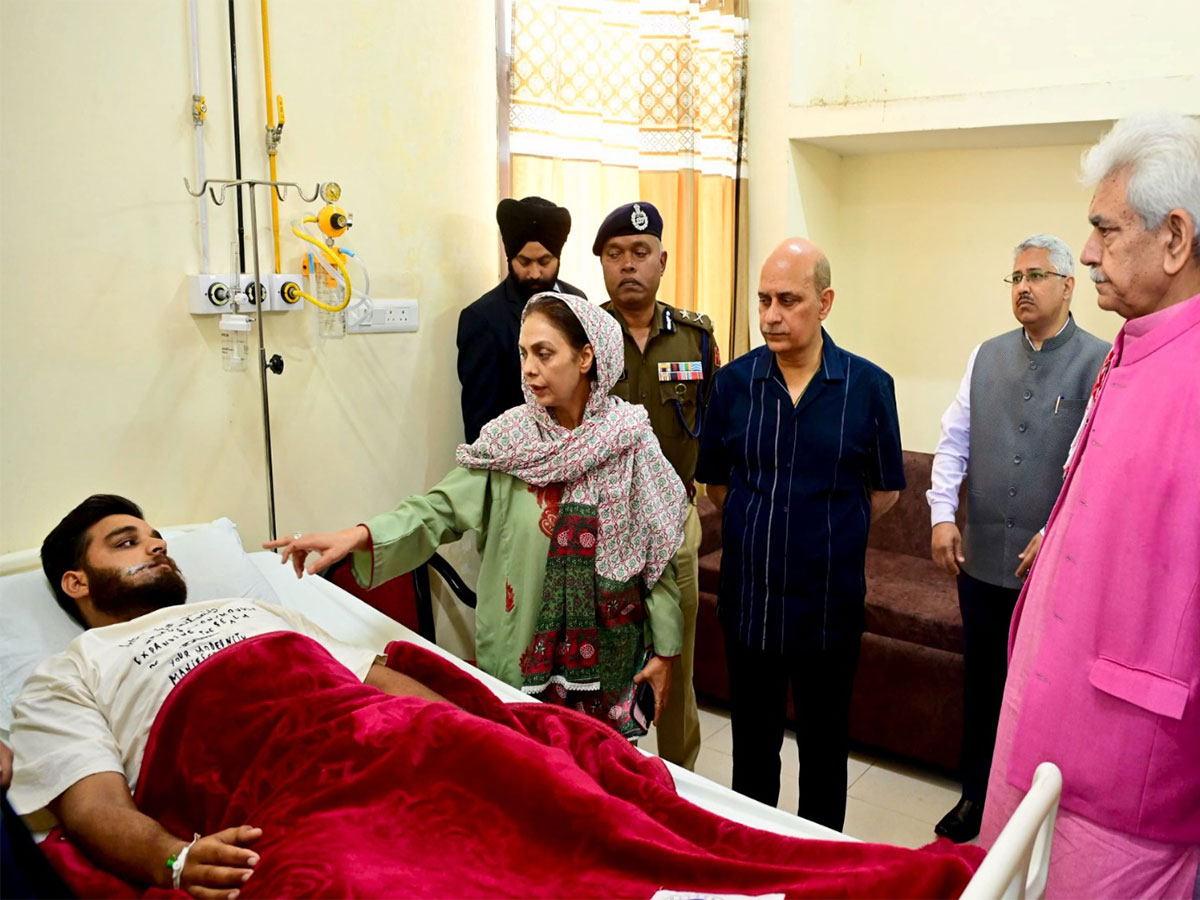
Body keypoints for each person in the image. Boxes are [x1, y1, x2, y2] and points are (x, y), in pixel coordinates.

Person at [275, 291, 687, 737]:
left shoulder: (632, 443)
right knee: (529, 773)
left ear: (586, 357)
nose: (529, 369)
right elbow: (437, 510)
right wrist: (361, 535)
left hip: (614, 660)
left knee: (609, 781)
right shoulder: (511, 444)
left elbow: (656, 556)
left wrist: (664, 651)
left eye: (545, 354)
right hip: (525, 657)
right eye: (524, 353)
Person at [7, 494, 444, 899]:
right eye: (127, 543)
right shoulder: (67, 673)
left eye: (157, 539)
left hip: (387, 747)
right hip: (284, 802)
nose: (157, 547)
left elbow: (376, 680)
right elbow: (95, 805)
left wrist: (463, 729)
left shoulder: (257, 612)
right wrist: (173, 859)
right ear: (76, 583)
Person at [981, 112, 1200, 898]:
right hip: (1043, 729)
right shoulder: (1137, 347)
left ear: (1175, 239)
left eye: (1106, 231)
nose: (1094, 254)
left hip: (1127, 769)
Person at [695, 237, 905, 831]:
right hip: (750, 606)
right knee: (752, 755)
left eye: (788, 300)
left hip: (828, 609)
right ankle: (754, 864)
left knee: (823, 754)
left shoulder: (868, 388)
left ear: (825, 301)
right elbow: (717, 486)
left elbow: (884, 493)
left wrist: (822, 527)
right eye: (763, 300)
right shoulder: (733, 385)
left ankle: (819, 870)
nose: (770, 315)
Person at [926, 234, 1109, 843]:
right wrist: (941, 514)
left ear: (1068, 286)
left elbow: (1095, 467)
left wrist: (1057, 532)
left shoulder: (1102, 361)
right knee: (981, 684)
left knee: (1042, 696)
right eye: (1015, 278)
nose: (1024, 288)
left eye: (1037, 275)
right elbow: (953, 441)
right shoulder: (987, 355)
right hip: (980, 561)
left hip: (1053, 571)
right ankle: (975, 796)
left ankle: (1031, 815)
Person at [593, 200, 720, 771]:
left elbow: (716, 422)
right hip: (602, 520)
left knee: (678, 658)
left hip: (674, 522)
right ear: (600, 264)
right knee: (606, 659)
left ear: (662, 261)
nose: (628, 265)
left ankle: (679, 781)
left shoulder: (694, 339)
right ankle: (611, 777)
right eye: (614, 254)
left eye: (640, 253)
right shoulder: (583, 334)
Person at [457, 196, 586, 442]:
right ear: (509, 258)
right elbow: (480, 423)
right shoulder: (482, 318)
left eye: (544, 261)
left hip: (580, 450)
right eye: (524, 262)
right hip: (519, 462)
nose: (535, 273)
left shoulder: (577, 300)